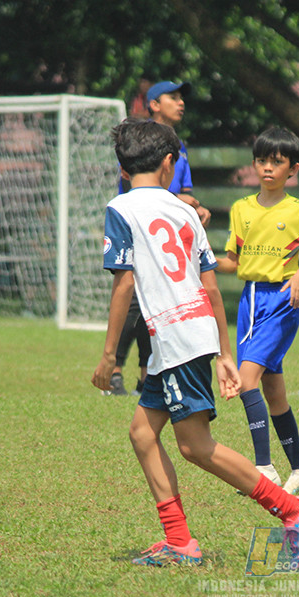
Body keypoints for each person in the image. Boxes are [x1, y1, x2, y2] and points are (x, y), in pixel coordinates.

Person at [91, 118, 299, 567]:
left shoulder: (121, 208)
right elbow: (211, 287)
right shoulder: (185, 211)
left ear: (124, 171)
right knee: (142, 434)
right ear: (168, 164)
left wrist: (108, 357)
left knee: (196, 446)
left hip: (175, 337)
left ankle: (295, 510)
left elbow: (124, 286)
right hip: (187, 335)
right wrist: (223, 351)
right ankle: (180, 541)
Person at [216, 126, 299, 495]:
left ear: (293, 168)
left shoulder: (297, 211)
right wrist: (200, 262)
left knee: (247, 381)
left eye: (277, 162)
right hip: (250, 302)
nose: (267, 168)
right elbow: (232, 261)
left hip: (281, 302)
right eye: (262, 160)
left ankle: (263, 467)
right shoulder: (241, 209)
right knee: (274, 393)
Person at [107, 79, 211, 396]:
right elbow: (144, 193)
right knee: (135, 301)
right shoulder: (139, 141)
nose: (181, 103)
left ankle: (145, 374)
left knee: (154, 305)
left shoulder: (180, 146)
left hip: (172, 225)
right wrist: (183, 203)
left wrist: (195, 207)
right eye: (173, 97)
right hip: (146, 228)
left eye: (182, 98)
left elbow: (186, 191)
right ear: (154, 104)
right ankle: (114, 370)